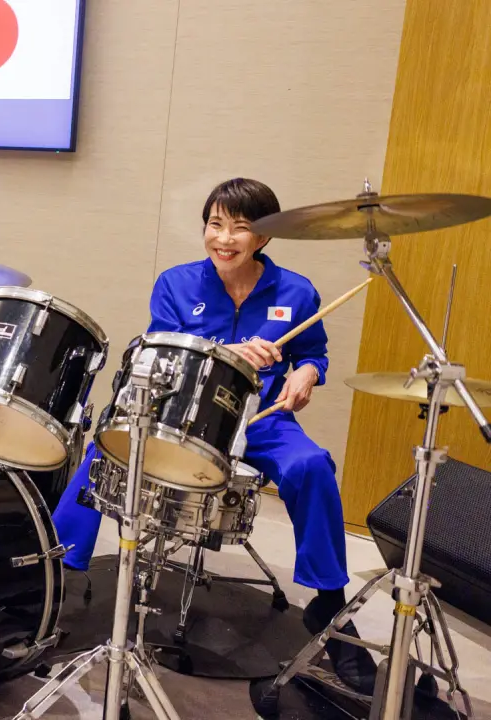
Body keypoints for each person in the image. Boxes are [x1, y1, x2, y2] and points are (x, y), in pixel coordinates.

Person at [52, 178, 377, 693]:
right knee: (105, 449)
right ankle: (58, 578)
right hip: (183, 412)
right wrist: (229, 352)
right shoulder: (176, 283)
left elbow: (312, 352)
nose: (224, 238)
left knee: (311, 466)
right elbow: (162, 349)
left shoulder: (296, 291)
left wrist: (306, 374)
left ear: (264, 237)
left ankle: (330, 608)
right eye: (215, 224)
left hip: (262, 419)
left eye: (240, 228)